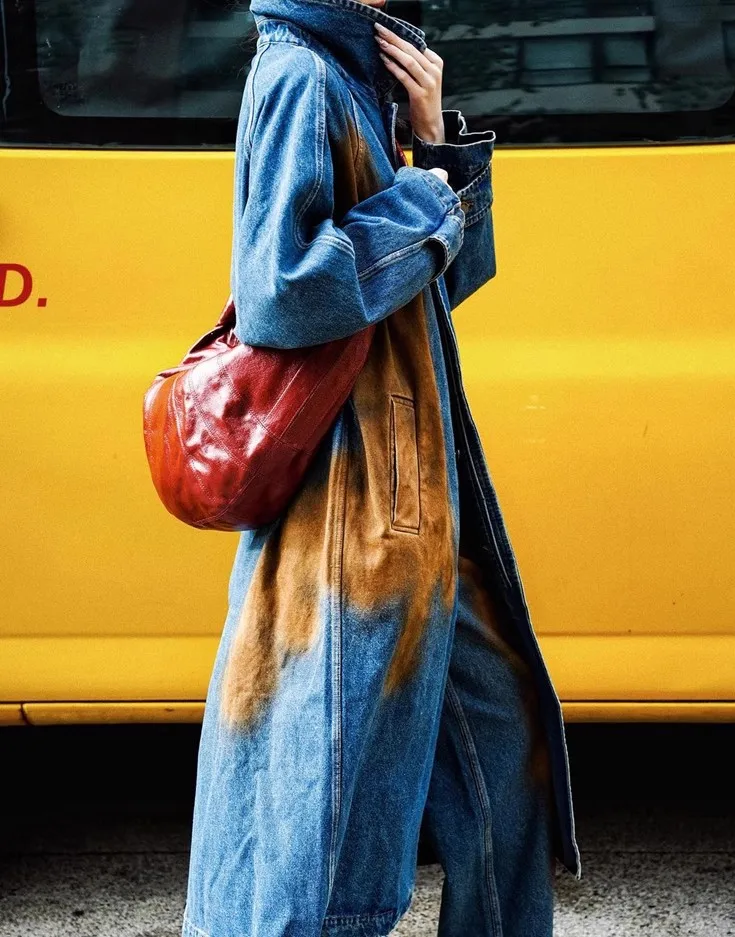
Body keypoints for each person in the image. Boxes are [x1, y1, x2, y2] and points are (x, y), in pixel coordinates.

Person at [182, 1, 581, 935]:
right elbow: (279, 291)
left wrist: (437, 147)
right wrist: (426, 198)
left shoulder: (361, 76)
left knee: (507, 748)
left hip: (421, 497)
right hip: (354, 510)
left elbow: (439, 284)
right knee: (320, 823)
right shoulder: (299, 78)